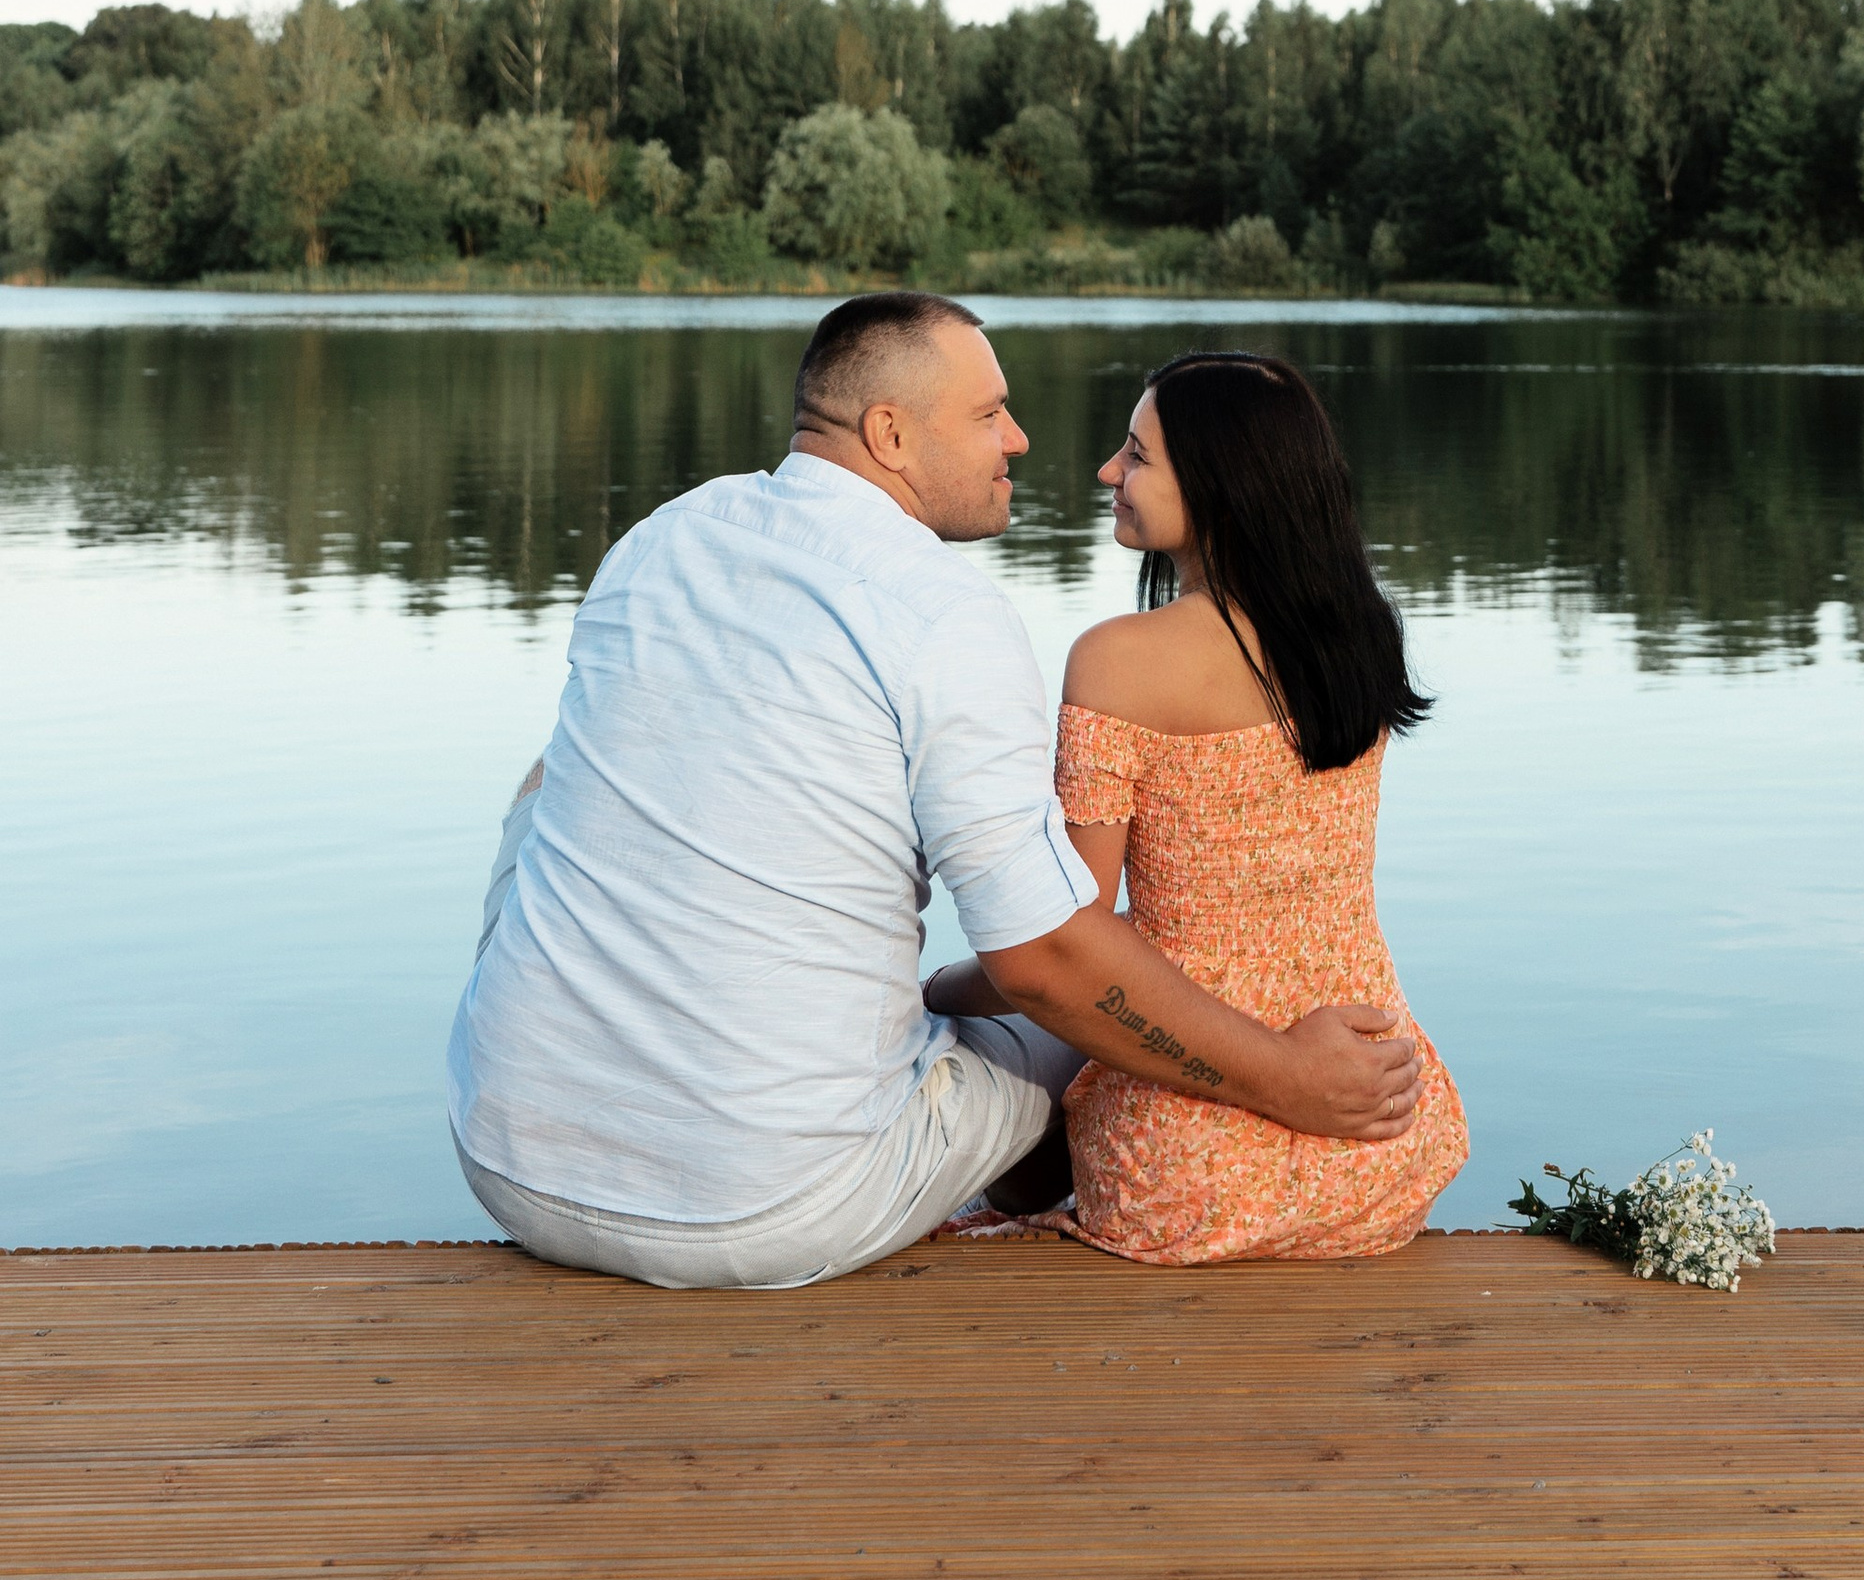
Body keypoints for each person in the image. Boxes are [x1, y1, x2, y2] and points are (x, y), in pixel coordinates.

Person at [445, 296, 1421, 1289]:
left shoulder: (664, 537)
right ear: (891, 433)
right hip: (775, 1204)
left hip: (509, 1162)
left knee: (546, 787)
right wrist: (1293, 1078)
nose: (1020, 438)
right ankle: (1049, 1216)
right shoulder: (941, 612)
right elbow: (1044, 961)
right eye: (988, 413)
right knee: (1076, 1008)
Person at [927, 352, 1467, 1261]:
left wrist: (944, 989)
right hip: (1382, 1130)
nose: (1109, 471)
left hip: (1190, 1173)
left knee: (975, 1033)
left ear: (1218, 486)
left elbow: (1070, 929)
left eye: (1136, 455)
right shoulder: (1359, 629)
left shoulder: (1119, 659)